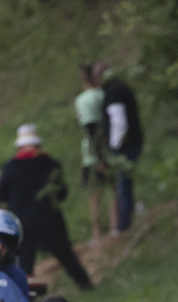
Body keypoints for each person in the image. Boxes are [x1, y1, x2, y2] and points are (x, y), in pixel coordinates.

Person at [0, 123, 93, 290]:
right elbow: (61, 194)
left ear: (19, 146)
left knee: (24, 263)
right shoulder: (52, 165)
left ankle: (23, 294)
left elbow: (0, 195)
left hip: (21, 221)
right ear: (38, 144)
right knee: (65, 255)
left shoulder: (11, 167)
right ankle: (85, 285)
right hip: (49, 219)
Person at [75, 63, 117, 243]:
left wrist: (99, 158)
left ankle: (97, 234)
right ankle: (116, 227)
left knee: (94, 195)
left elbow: (91, 128)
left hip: (92, 154)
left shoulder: (83, 100)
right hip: (110, 148)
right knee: (113, 190)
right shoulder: (105, 94)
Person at [99, 65, 142, 232]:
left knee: (124, 186)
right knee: (125, 185)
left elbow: (119, 121)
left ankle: (125, 226)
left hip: (125, 146)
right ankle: (125, 223)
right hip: (133, 141)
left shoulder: (113, 93)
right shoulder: (121, 89)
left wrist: (114, 145)